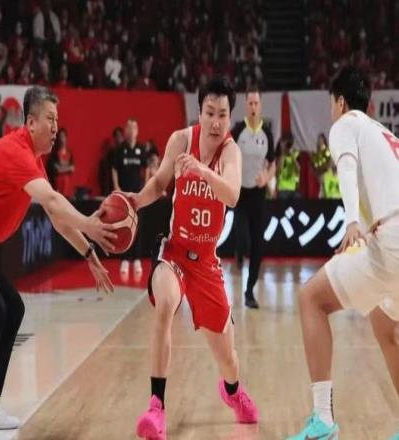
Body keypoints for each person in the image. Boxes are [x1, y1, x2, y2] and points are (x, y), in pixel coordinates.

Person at [0, 86, 116, 440]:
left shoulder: (33, 159)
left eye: (57, 120)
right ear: (30, 122)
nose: (56, 127)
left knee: (12, 309)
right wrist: (89, 223)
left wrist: (89, 252)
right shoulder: (17, 152)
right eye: (50, 119)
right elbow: (53, 200)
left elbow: (56, 217)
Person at [129, 76, 258, 440]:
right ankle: (156, 408)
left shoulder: (230, 152)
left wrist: (201, 170)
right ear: (199, 112)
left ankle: (232, 390)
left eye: (223, 114)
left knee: (228, 360)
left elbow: (232, 195)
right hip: (174, 253)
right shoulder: (180, 140)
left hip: (206, 263)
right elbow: (159, 184)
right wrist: (133, 202)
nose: (216, 122)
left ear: (230, 117)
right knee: (165, 304)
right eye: (210, 113)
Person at [287, 67, 399, 440]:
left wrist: (352, 220)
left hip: (390, 241)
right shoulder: (386, 134)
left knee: (311, 299)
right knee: (385, 326)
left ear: (339, 102)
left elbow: (346, 168)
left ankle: (323, 420)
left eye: (331, 104)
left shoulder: (345, 124)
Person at [231, 85, 276, 308]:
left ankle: (249, 291)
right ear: (245, 105)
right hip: (240, 193)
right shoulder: (238, 130)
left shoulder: (267, 133)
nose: (253, 106)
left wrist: (266, 177)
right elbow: (227, 156)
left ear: (260, 105)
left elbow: (273, 163)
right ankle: (239, 253)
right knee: (242, 237)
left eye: (256, 103)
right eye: (250, 103)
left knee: (258, 245)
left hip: (258, 195)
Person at [112, 118, 148, 276]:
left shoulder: (141, 149)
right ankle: (125, 260)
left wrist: (146, 186)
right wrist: (116, 187)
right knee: (124, 227)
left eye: (134, 128)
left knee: (137, 226)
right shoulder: (120, 149)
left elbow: (146, 168)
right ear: (125, 131)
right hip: (124, 195)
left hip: (138, 195)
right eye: (129, 128)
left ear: (137, 131)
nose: (131, 131)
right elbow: (114, 169)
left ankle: (137, 259)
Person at [46, 128, 75, 198]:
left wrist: (61, 168)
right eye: (60, 137)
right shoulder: (54, 154)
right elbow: (56, 170)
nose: (62, 139)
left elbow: (72, 168)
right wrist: (67, 168)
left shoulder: (69, 154)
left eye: (63, 136)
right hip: (57, 187)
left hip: (67, 189)